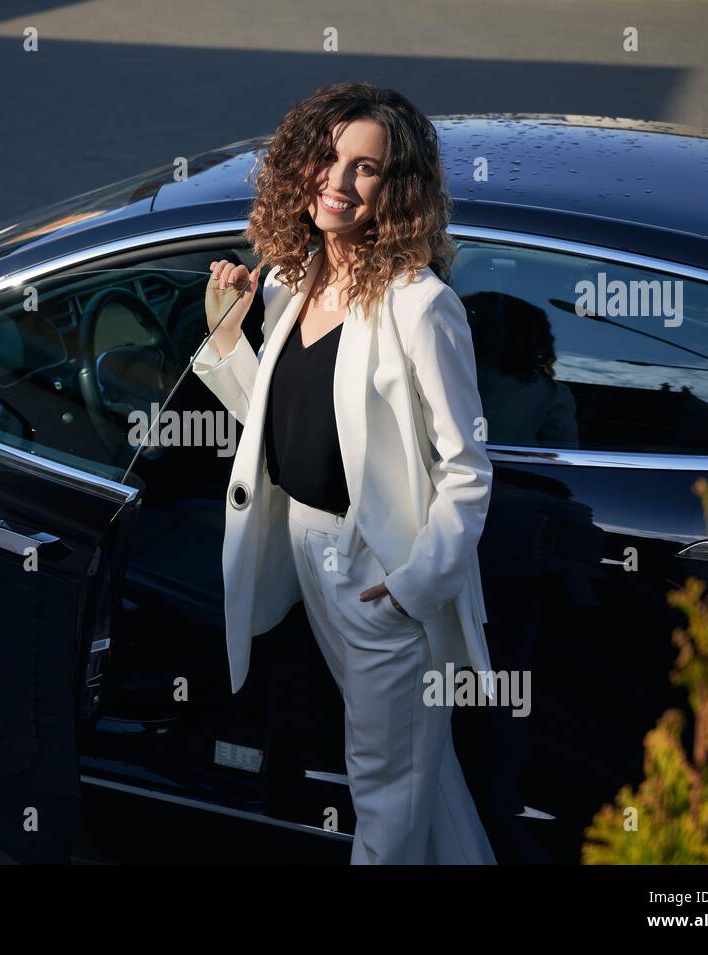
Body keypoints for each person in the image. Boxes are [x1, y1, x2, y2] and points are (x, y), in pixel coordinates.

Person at [192, 81, 496, 864]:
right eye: (328, 157)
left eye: (365, 168)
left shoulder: (420, 307)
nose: (338, 179)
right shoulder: (295, 281)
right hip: (307, 545)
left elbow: (468, 470)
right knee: (418, 773)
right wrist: (228, 339)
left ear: (397, 191)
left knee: (384, 786)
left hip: (379, 571)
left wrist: (410, 588)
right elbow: (285, 419)